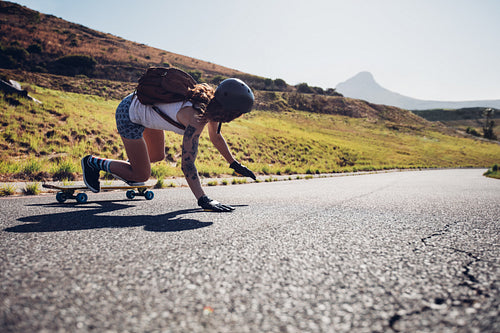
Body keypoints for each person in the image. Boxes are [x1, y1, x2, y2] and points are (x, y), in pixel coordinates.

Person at [81, 78, 256, 212]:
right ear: (229, 111)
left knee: (157, 156)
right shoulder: (196, 117)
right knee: (142, 174)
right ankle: (92, 162)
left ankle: (129, 168)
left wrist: (234, 164)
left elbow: (216, 137)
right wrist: (203, 199)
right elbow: (187, 164)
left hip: (146, 108)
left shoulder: (211, 105)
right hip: (129, 114)